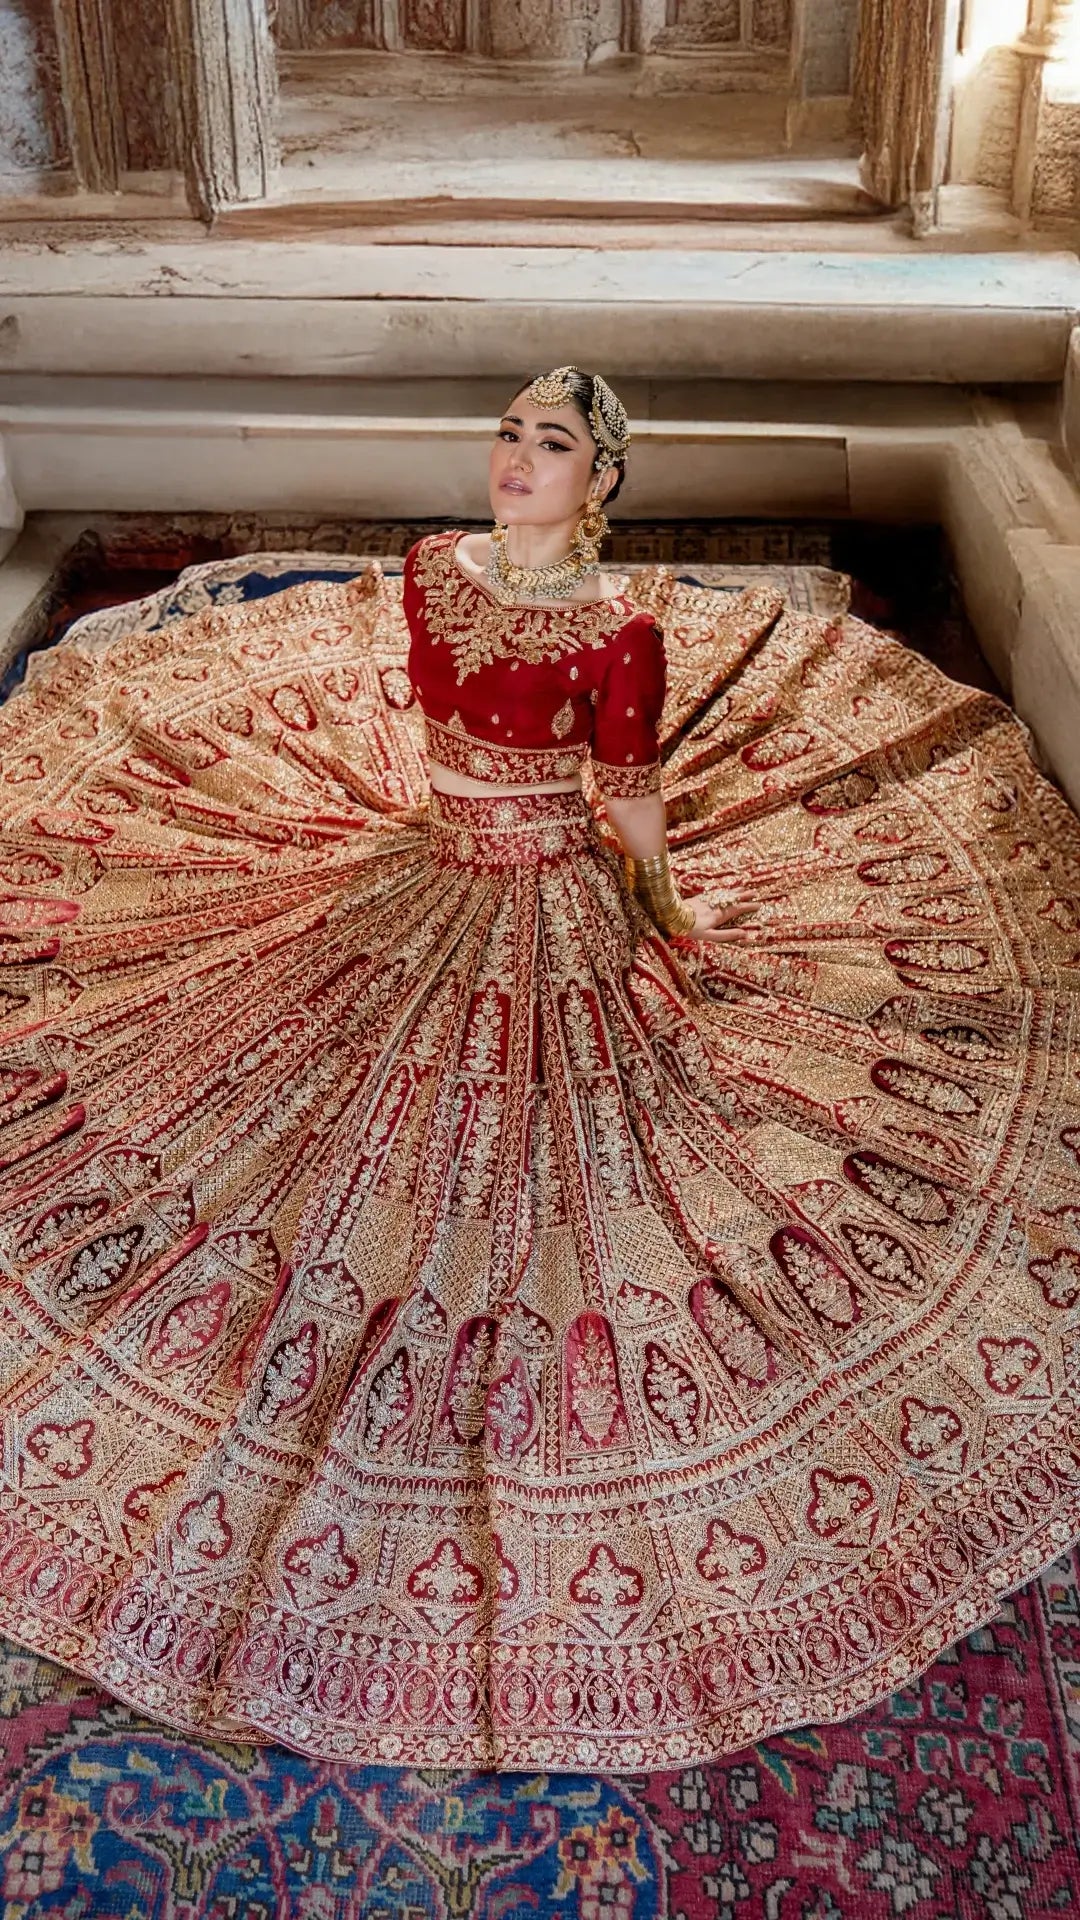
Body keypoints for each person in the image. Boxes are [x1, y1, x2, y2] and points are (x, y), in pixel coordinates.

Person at [0, 365, 1078, 1774]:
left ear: (603, 481)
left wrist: (666, 914)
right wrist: (656, 889)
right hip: (422, 877)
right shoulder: (438, 568)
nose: (516, 457)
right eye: (510, 432)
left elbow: (630, 802)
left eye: (552, 442)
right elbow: (602, 790)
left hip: (539, 900)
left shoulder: (615, 631)